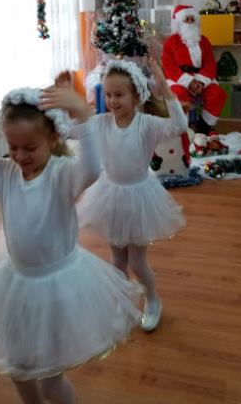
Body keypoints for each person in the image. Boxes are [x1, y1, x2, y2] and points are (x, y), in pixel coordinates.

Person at [0, 84, 142, 404]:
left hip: (59, 288)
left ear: (53, 138)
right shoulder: (2, 172)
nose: (19, 156)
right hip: (16, 285)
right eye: (12, 147)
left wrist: (84, 115)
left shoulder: (62, 174)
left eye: (30, 147)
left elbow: (91, 169)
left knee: (50, 377)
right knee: (18, 367)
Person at [76, 57, 186, 333]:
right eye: (108, 94)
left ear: (136, 96)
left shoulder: (146, 124)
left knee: (137, 261)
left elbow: (179, 126)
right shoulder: (101, 123)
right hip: (110, 196)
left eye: (119, 95)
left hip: (139, 199)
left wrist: (165, 87)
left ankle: (152, 299)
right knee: (117, 261)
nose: (112, 101)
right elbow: (70, 131)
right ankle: (123, 301)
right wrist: (65, 105)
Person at [161, 4, 227, 162]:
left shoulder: (204, 41)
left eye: (192, 19)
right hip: (178, 78)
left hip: (202, 78)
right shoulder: (170, 42)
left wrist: (201, 82)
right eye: (186, 19)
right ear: (179, 22)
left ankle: (203, 128)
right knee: (178, 94)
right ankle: (181, 131)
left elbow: (210, 63)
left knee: (217, 94)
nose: (190, 22)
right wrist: (189, 82)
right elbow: (168, 66)